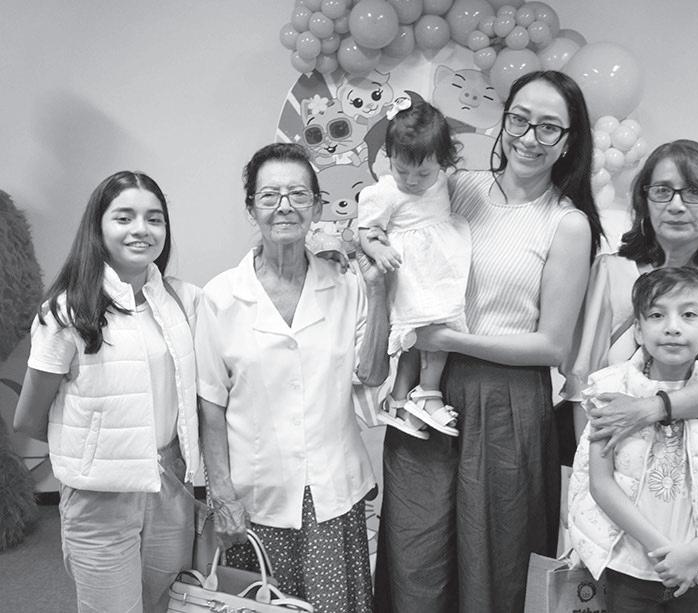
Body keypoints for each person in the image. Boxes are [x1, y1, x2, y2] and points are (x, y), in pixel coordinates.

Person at [373, 70, 605, 612]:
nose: (529, 138)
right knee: (415, 546)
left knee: (496, 558)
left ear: (569, 140)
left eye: (548, 127)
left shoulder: (566, 224)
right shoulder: (456, 187)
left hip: (507, 407)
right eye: (519, 120)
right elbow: (387, 215)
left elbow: (552, 346)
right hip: (426, 394)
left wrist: (451, 338)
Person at [562, 139, 698, 612]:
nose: (677, 204)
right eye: (662, 190)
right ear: (643, 199)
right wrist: (584, 502)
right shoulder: (615, 272)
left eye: (694, 191)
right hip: (624, 499)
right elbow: (587, 379)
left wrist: (650, 409)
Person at [194, 143, 389, 613]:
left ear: (317, 207)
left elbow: (373, 373)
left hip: (331, 492)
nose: (285, 206)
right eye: (270, 195)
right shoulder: (221, 297)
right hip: (255, 496)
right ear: (251, 209)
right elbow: (210, 405)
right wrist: (221, 494)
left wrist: (378, 291)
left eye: (299, 194)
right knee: (260, 603)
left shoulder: (346, 285)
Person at [13, 171, 201, 613]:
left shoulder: (181, 301)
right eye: (124, 217)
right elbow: (29, 418)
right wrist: (92, 451)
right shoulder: (65, 311)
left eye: (154, 218)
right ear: (98, 227)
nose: (142, 229)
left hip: (169, 484)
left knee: (165, 605)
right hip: (100, 497)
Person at [569, 267, 698, 612]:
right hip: (630, 568)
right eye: (656, 315)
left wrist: (696, 553)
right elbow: (601, 483)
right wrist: (665, 553)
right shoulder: (609, 389)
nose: (672, 327)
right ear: (638, 330)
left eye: (688, 315)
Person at [359, 97, 471, 439]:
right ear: (389, 158)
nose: (411, 180)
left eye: (423, 173)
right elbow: (366, 231)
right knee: (432, 329)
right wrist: (378, 250)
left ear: (442, 161)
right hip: (411, 271)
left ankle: (399, 399)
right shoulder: (384, 192)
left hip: (440, 265)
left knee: (428, 331)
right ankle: (428, 393)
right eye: (401, 170)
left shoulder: (443, 180)